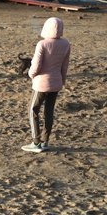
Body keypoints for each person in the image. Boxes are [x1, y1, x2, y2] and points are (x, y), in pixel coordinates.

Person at [22, 16, 71, 153]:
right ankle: (45, 141)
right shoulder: (66, 44)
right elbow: (64, 66)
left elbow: (36, 65)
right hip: (56, 82)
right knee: (49, 112)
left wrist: (31, 75)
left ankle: (36, 142)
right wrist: (62, 80)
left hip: (41, 83)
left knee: (33, 110)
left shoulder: (42, 44)